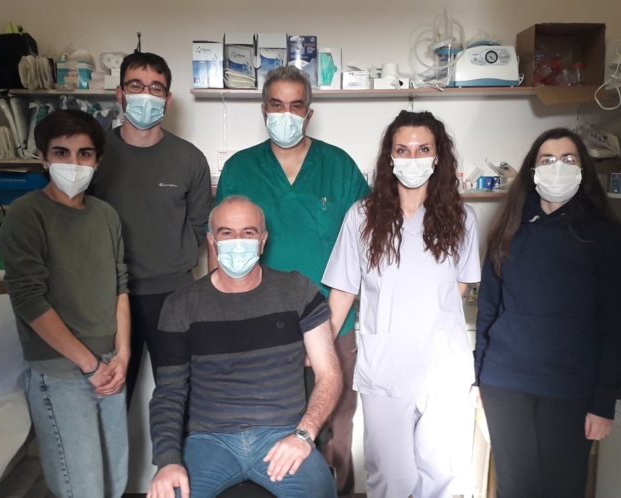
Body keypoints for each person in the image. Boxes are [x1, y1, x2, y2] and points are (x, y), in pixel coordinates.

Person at [213, 65, 369, 497]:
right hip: (259, 327)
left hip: (334, 322)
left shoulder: (338, 166)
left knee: (335, 429)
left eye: (296, 106)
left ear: (308, 113)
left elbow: (365, 246)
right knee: (269, 432)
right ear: (264, 110)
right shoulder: (240, 168)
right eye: (277, 105)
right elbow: (219, 245)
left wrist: (328, 331)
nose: (286, 114)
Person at [322, 110, 480, 498]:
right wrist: (320, 350)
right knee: (391, 477)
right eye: (403, 150)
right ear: (389, 157)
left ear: (438, 157)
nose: (413, 158)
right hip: (385, 367)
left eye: (423, 149)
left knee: (441, 474)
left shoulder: (462, 218)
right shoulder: (362, 217)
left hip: (443, 368)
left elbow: (459, 287)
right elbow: (343, 291)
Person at [147, 196, 342, 498]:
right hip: (209, 440)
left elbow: (329, 373)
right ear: (212, 242)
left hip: (283, 435)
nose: (238, 243)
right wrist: (168, 461)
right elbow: (169, 392)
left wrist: (304, 435)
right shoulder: (180, 305)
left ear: (262, 241)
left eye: (248, 233)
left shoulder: (298, 292)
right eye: (227, 233)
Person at [473, 128, 621, 498]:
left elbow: (614, 322)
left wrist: (605, 400)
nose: (557, 167)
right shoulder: (509, 228)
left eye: (568, 159)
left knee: (562, 489)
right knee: (514, 488)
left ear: (582, 169)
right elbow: (489, 308)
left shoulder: (604, 234)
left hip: (570, 387)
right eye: (547, 160)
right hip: (505, 382)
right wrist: (478, 376)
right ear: (533, 170)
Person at [0, 109, 130, 498]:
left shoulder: (106, 216)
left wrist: (122, 355)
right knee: (82, 488)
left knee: (115, 482)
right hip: (61, 372)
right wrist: (89, 365)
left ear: (97, 160)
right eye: (61, 153)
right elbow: (28, 300)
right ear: (43, 157)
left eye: (84, 154)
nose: (74, 163)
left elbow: (120, 287)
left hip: (109, 366)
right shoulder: (27, 214)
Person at [91, 52, 211, 404]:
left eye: (156, 88)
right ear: (120, 93)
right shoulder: (93, 154)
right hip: (107, 294)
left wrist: (171, 259)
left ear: (167, 99)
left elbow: (199, 224)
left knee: (180, 394)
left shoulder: (189, 158)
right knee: (111, 393)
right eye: (136, 86)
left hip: (173, 295)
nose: (146, 94)